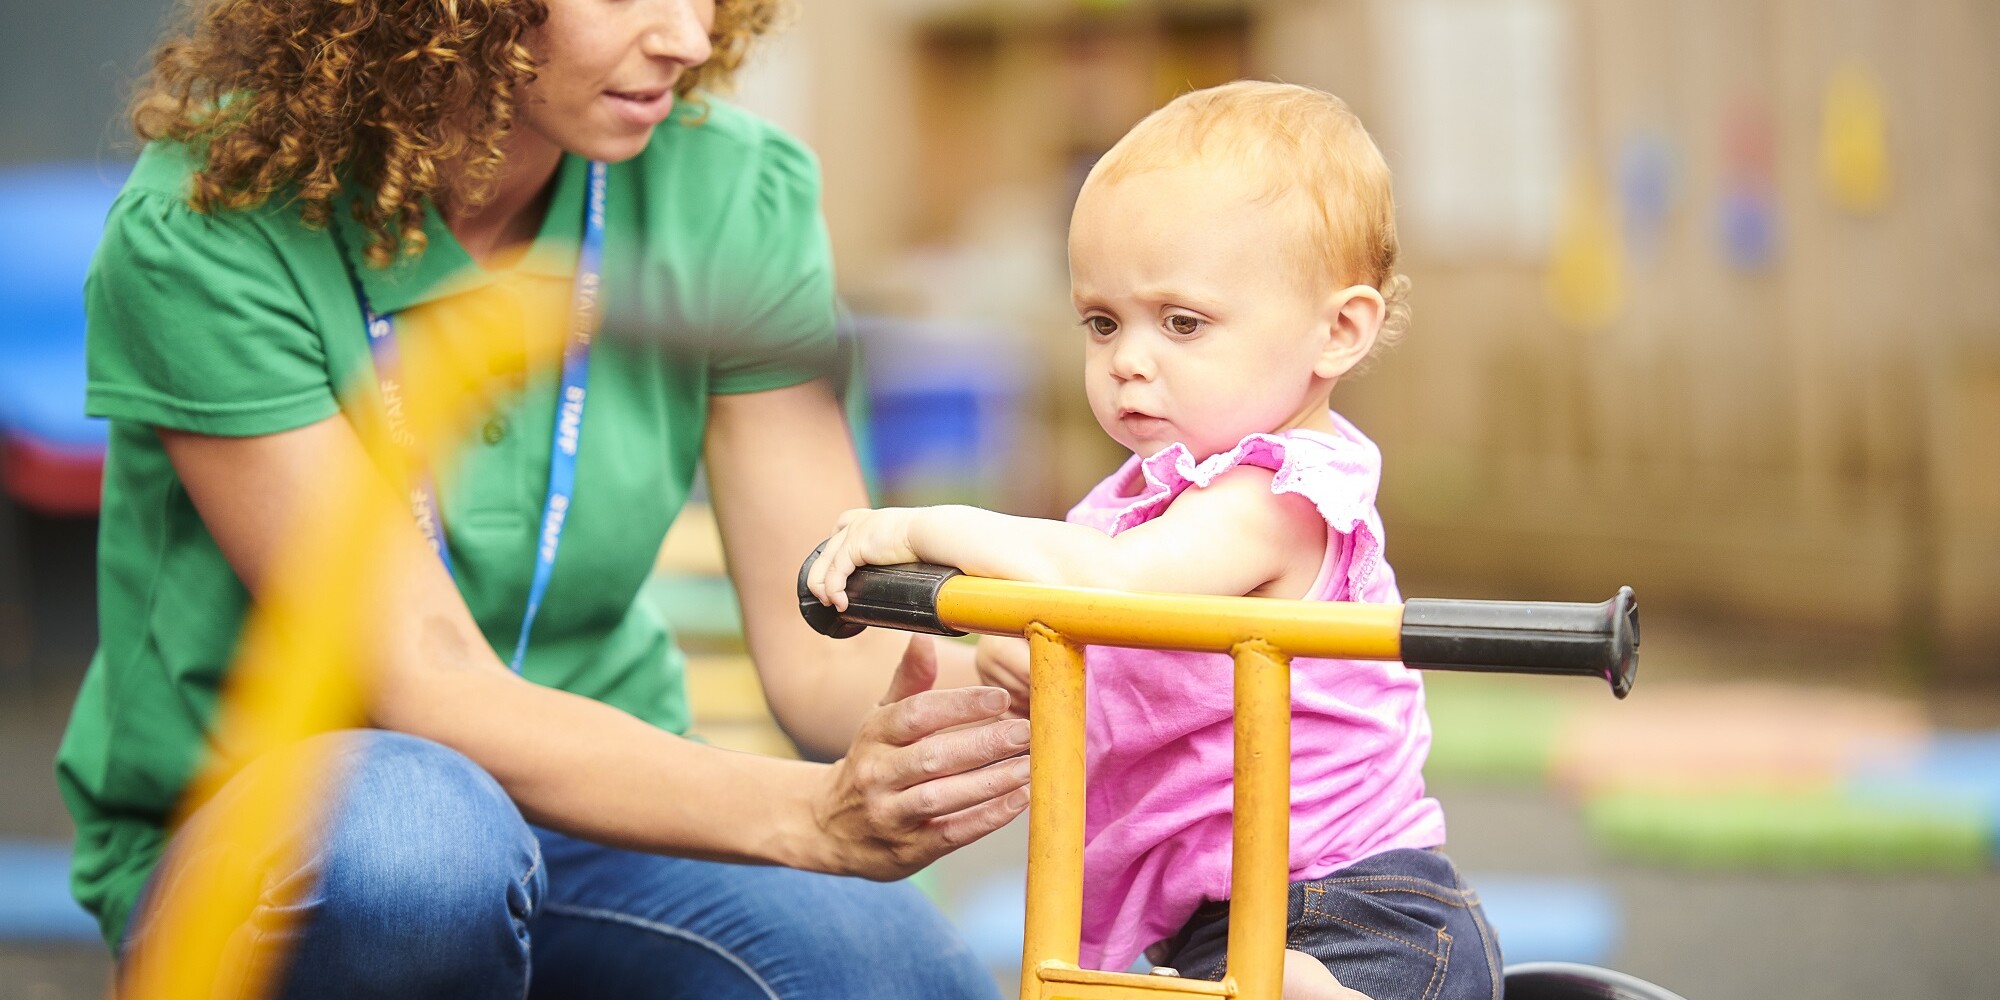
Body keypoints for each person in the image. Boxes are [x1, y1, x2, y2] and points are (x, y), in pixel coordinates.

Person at [55, 1, 1030, 996]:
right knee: (415, 854)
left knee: (898, 971)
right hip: (290, 836)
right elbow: (423, 682)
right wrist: (807, 814)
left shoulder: (732, 188)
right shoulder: (212, 219)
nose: (687, 38)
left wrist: (1024, 687)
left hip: (612, 815)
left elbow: (835, 653)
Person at [807, 81, 1503, 999]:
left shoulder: (1281, 492)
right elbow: (1105, 621)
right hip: (1213, 925)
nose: (1129, 359)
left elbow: (1118, 586)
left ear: (1338, 330)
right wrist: (1018, 659)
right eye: (1103, 322)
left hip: (1356, 917)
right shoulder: (1142, 498)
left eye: (1182, 322)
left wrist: (921, 524)